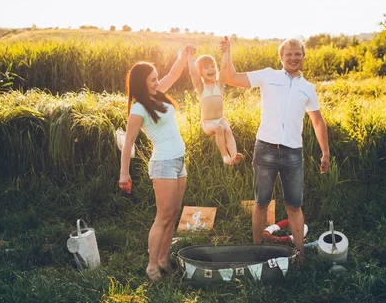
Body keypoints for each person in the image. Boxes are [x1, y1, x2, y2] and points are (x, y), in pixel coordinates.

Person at [220, 36, 330, 257]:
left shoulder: (308, 88)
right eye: (288, 54)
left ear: (303, 57)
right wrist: (226, 52)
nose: (293, 58)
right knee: (261, 203)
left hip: (293, 153)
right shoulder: (268, 76)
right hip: (265, 150)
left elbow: (318, 121)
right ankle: (257, 250)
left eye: (297, 54)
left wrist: (325, 152)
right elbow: (231, 77)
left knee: (294, 206)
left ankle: (299, 255)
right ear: (281, 57)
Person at [118, 44, 195, 281]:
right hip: (163, 164)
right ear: (142, 82)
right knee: (163, 216)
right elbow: (128, 142)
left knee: (173, 214)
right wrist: (124, 174)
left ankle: (163, 258)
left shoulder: (158, 95)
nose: (156, 82)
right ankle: (152, 266)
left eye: (156, 78)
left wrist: (182, 55)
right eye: (152, 79)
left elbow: (173, 74)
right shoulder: (139, 107)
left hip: (179, 162)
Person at [187, 48, 243, 165]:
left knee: (227, 130)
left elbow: (224, 67)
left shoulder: (220, 85)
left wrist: (226, 52)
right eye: (206, 67)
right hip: (208, 123)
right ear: (200, 72)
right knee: (219, 129)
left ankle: (234, 156)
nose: (211, 69)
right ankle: (225, 157)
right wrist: (190, 56)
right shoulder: (201, 88)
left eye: (212, 66)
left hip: (220, 119)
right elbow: (192, 72)